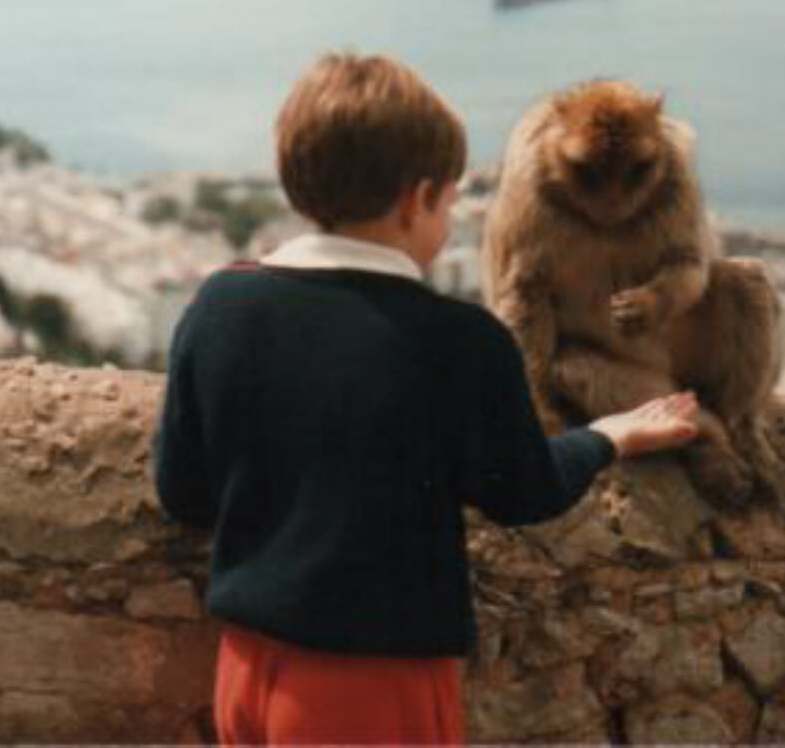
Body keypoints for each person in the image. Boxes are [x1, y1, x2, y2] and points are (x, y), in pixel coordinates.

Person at [152, 53, 701, 744]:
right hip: (370, 685)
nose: (453, 216)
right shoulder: (458, 341)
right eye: (449, 198)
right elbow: (523, 490)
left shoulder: (219, 305)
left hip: (245, 668)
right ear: (417, 200)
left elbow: (183, 492)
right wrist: (608, 438)